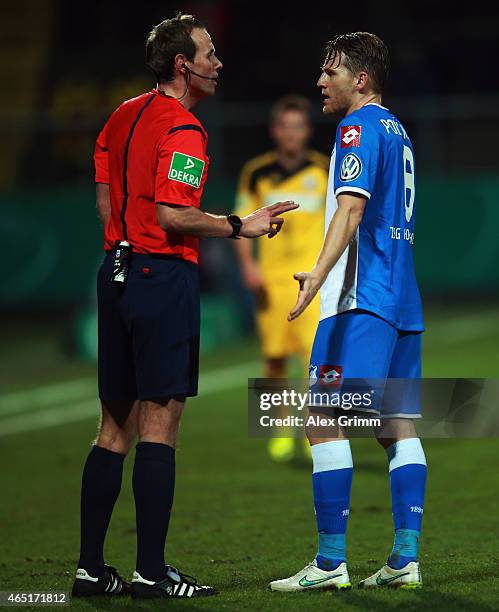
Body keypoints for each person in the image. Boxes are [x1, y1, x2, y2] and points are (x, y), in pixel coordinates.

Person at [70, 12, 297, 600]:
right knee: (160, 426)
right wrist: (236, 225)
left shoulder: (120, 116)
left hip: (113, 273)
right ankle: (151, 571)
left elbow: (104, 195)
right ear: (183, 65)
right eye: (209, 54)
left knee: (111, 428)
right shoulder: (185, 128)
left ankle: (90, 570)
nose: (217, 63)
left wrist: (127, 232)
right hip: (160, 277)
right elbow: (173, 214)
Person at [269, 32, 427, 592]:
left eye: (329, 71)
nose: (320, 82)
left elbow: (352, 209)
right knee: (394, 423)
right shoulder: (399, 130)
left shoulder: (357, 127)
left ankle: (331, 563)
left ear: (360, 80)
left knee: (320, 418)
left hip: (358, 298)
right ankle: (405, 557)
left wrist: (317, 274)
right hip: (401, 298)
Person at [234, 96, 328, 462]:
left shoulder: (323, 169)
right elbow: (241, 220)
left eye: (298, 126)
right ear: (275, 131)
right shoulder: (256, 172)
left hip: (312, 280)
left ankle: (314, 427)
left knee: (317, 359)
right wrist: (248, 266)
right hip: (271, 281)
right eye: (285, 126)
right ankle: (280, 428)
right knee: (273, 358)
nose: (291, 133)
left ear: (307, 131)